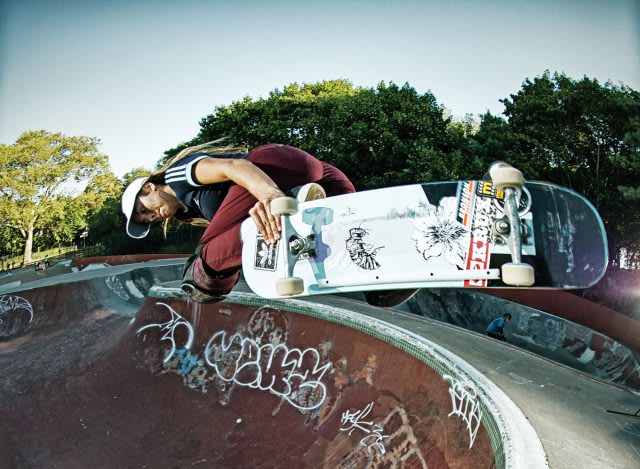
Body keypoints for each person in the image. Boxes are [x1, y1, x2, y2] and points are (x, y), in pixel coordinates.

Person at [121, 141, 418, 306]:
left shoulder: (177, 176)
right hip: (323, 177)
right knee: (373, 284)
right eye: (147, 220)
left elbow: (234, 166)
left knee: (202, 270)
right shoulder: (189, 208)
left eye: (143, 210)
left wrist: (273, 197)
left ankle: (284, 210)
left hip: (277, 165)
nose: (152, 216)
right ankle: (403, 255)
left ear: (149, 187)